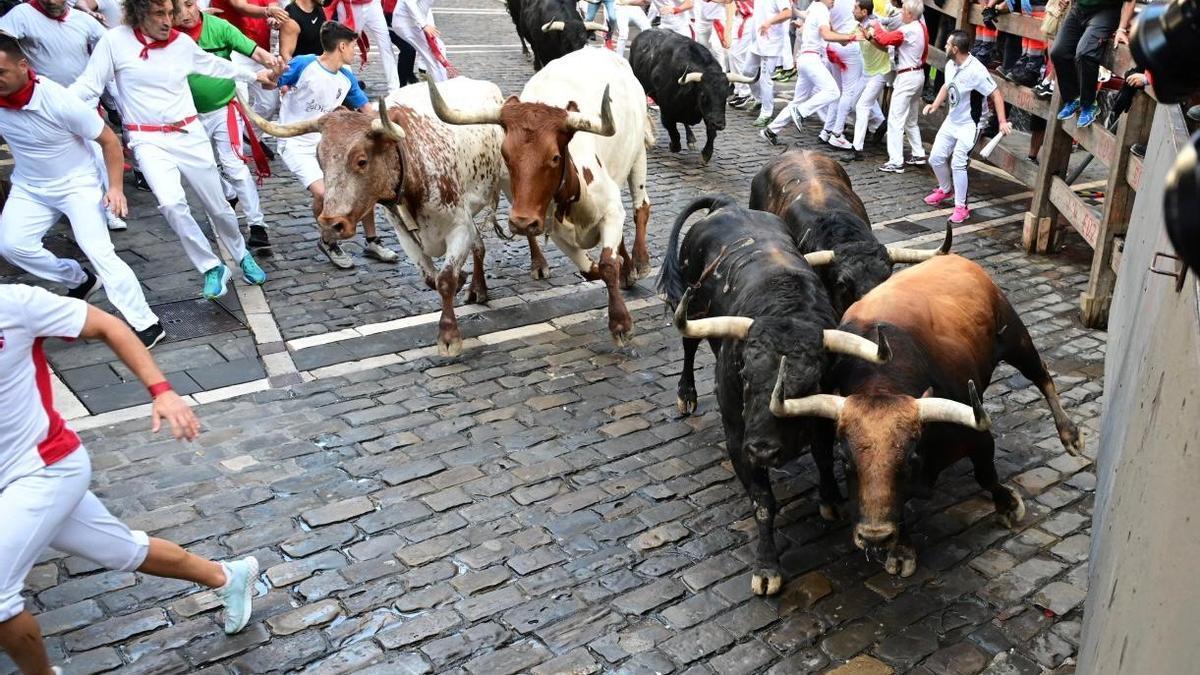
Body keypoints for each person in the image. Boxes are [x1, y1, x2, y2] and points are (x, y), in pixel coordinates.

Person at [0, 284, 259, 675]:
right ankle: (227, 576)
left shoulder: (15, 304)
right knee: (122, 550)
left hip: (45, 467)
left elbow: (109, 325)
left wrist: (163, 392)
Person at [70, 0, 274, 300]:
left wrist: (256, 76)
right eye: (159, 14)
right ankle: (211, 267)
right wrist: (51, 104)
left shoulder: (181, 44)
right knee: (170, 203)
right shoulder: (114, 42)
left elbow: (214, 65)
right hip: (148, 140)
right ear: (139, 14)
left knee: (217, 205)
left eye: (170, 12)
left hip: (189, 134)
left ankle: (241, 254)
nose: (168, 21)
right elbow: (88, 86)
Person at [0, 34, 164, 348]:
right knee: (11, 246)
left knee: (99, 251)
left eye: (0, 73)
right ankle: (80, 280)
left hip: (78, 185)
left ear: (23, 66)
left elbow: (109, 141)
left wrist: (115, 188)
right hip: (30, 187)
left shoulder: (59, 100)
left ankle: (147, 323)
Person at [276, 21, 399, 269]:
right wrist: (273, 78)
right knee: (323, 193)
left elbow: (367, 111)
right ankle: (329, 240)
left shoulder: (346, 77)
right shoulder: (304, 64)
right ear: (342, 46)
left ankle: (372, 241)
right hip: (295, 142)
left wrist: (394, 118)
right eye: (354, 46)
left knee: (363, 182)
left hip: (328, 144)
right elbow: (273, 81)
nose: (356, 51)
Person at [0, 0, 129, 232]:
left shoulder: (82, 19)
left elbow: (109, 44)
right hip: (43, 105)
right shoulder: (22, 14)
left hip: (82, 103)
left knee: (101, 154)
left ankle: (110, 208)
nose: (51, 1)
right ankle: (59, 207)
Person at [175, 0, 283, 257]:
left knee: (235, 166)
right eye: (177, 8)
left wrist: (273, 64)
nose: (185, 14)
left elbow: (255, 51)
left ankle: (258, 226)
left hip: (224, 110)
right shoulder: (168, 36)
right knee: (206, 169)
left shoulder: (219, 27)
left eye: (189, 5)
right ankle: (228, 193)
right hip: (185, 117)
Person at [922, 30, 1012, 223]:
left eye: (947, 44)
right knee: (936, 158)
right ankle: (945, 190)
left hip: (970, 124)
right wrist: (935, 105)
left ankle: (961, 207)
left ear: (955, 48)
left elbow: (996, 94)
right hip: (952, 121)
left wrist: (1002, 122)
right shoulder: (950, 64)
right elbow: (947, 86)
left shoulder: (976, 71)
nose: (945, 47)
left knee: (958, 163)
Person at [759, 0, 857, 144]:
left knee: (797, 102)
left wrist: (844, 39)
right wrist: (849, 37)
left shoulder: (815, 8)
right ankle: (801, 112)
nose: (833, 2)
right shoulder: (822, 9)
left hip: (805, 59)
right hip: (811, 59)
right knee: (833, 92)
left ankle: (771, 130)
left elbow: (808, 18)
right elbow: (826, 34)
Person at [1049, 0, 1134, 128]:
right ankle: (1073, 98)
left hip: (1105, 10)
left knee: (1085, 53)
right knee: (1058, 52)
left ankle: (1089, 105)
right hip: (1079, 9)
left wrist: (1121, 28)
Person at [207, 0, 296, 119]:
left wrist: (275, 17)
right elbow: (241, 7)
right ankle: (235, 134)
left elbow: (272, 4)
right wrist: (267, 11)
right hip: (233, 51)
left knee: (269, 104)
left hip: (260, 50)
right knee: (239, 103)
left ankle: (247, 135)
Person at [869, 0, 927, 173]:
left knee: (896, 119)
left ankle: (896, 160)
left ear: (909, 13)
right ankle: (918, 153)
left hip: (907, 76)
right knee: (911, 119)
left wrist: (876, 25)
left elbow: (884, 38)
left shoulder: (907, 30)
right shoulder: (921, 26)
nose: (901, 13)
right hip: (918, 73)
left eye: (903, 11)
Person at [842, 0, 892, 161]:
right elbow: (845, 40)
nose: (852, 10)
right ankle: (880, 126)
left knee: (862, 106)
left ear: (864, 12)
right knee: (852, 104)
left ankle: (857, 149)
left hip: (880, 73)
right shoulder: (859, 25)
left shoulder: (874, 25)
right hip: (867, 72)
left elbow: (885, 47)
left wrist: (869, 38)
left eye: (855, 8)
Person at [325, 0, 400, 93]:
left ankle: (394, 89)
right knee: (344, 47)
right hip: (350, 5)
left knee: (386, 44)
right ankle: (348, 90)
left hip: (372, 4)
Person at [823, 0, 865, 150]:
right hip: (849, 44)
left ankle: (827, 129)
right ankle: (837, 133)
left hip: (834, 43)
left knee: (838, 91)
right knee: (848, 91)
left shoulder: (830, 3)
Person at [742, 0, 791, 126]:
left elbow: (787, 13)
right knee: (747, 72)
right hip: (757, 41)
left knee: (765, 79)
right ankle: (759, 98)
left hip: (771, 43)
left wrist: (769, 22)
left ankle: (766, 113)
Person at [389, 0, 453, 82]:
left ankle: (442, 82)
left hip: (413, 23)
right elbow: (409, 2)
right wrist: (424, 25)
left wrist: (428, 26)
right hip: (406, 24)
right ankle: (442, 85)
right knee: (432, 56)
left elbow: (425, 7)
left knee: (439, 47)